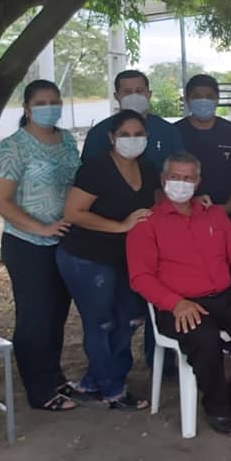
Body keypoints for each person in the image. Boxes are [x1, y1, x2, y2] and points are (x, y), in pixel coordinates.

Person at [127, 153, 231, 437]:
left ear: (198, 182)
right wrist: (175, 303)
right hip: (179, 304)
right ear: (163, 180)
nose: (181, 183)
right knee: (205, 339)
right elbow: (140, 277)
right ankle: (217, 407)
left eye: (188, 178)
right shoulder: (147, 223)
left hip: (225, 296)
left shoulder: (214, 214)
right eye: (175, 177)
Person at [56, 110, 159, 410]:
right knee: (100, 323)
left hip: (125, 258)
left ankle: (95, 380)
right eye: (125, 134)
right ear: (112, 138)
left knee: (130, 318)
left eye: (138, 134)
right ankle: (112, 390)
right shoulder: (96, 169)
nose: (132, 140)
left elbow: (158, 204)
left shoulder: (148, 168)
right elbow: (73, 213)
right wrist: (120, 226)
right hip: (86, 257)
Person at [0, 80, 81, 411]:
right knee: (35, 316)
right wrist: (41, 227)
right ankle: (39, 390)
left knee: (56, 313)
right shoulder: (13, 147)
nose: (49, 107)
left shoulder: (66, 140)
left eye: (55, 101)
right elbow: (0, 201)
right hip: (27, 244)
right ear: (27, 108)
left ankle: (54, 376)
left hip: (63, 241)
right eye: (41, 102)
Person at [176, 74, 231, 231]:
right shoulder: (174, 133)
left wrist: (228, 207)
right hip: (184, 215)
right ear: (187, 99)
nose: (203, 100)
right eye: (197, 96)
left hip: (227, 215)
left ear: (217, 99)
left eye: (209, 96)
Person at [82, 70, 184, 172]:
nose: (134, 96)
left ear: (149, 94)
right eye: (127, 92)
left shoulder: (168, 131)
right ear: (116, 96)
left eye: (139, 91)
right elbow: (87, 173)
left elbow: (182, 169)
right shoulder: (98, 133)